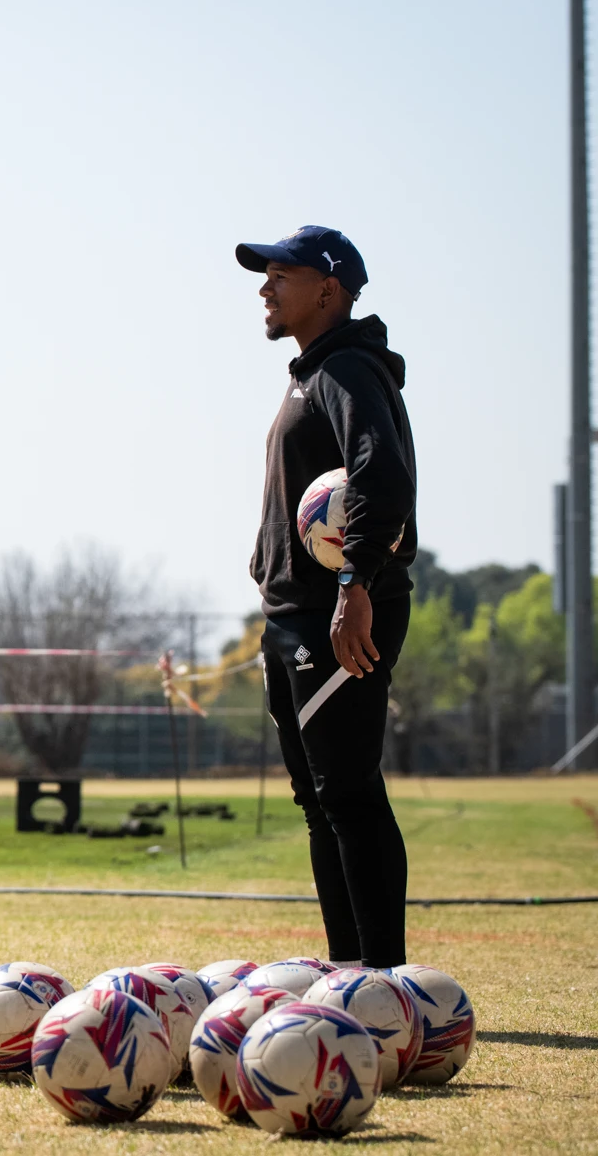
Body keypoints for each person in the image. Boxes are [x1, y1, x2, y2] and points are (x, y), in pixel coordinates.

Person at [240, 225, 417, 969]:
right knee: (320, 802)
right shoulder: (309, 375)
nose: (265, 286)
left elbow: (384, 479)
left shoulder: (348, 368)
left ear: (329, 289)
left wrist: (356, 582)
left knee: (347, 793)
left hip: (335, 613)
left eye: (282, 273)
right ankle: (350, 972)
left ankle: (384, 980)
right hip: (292, 615)